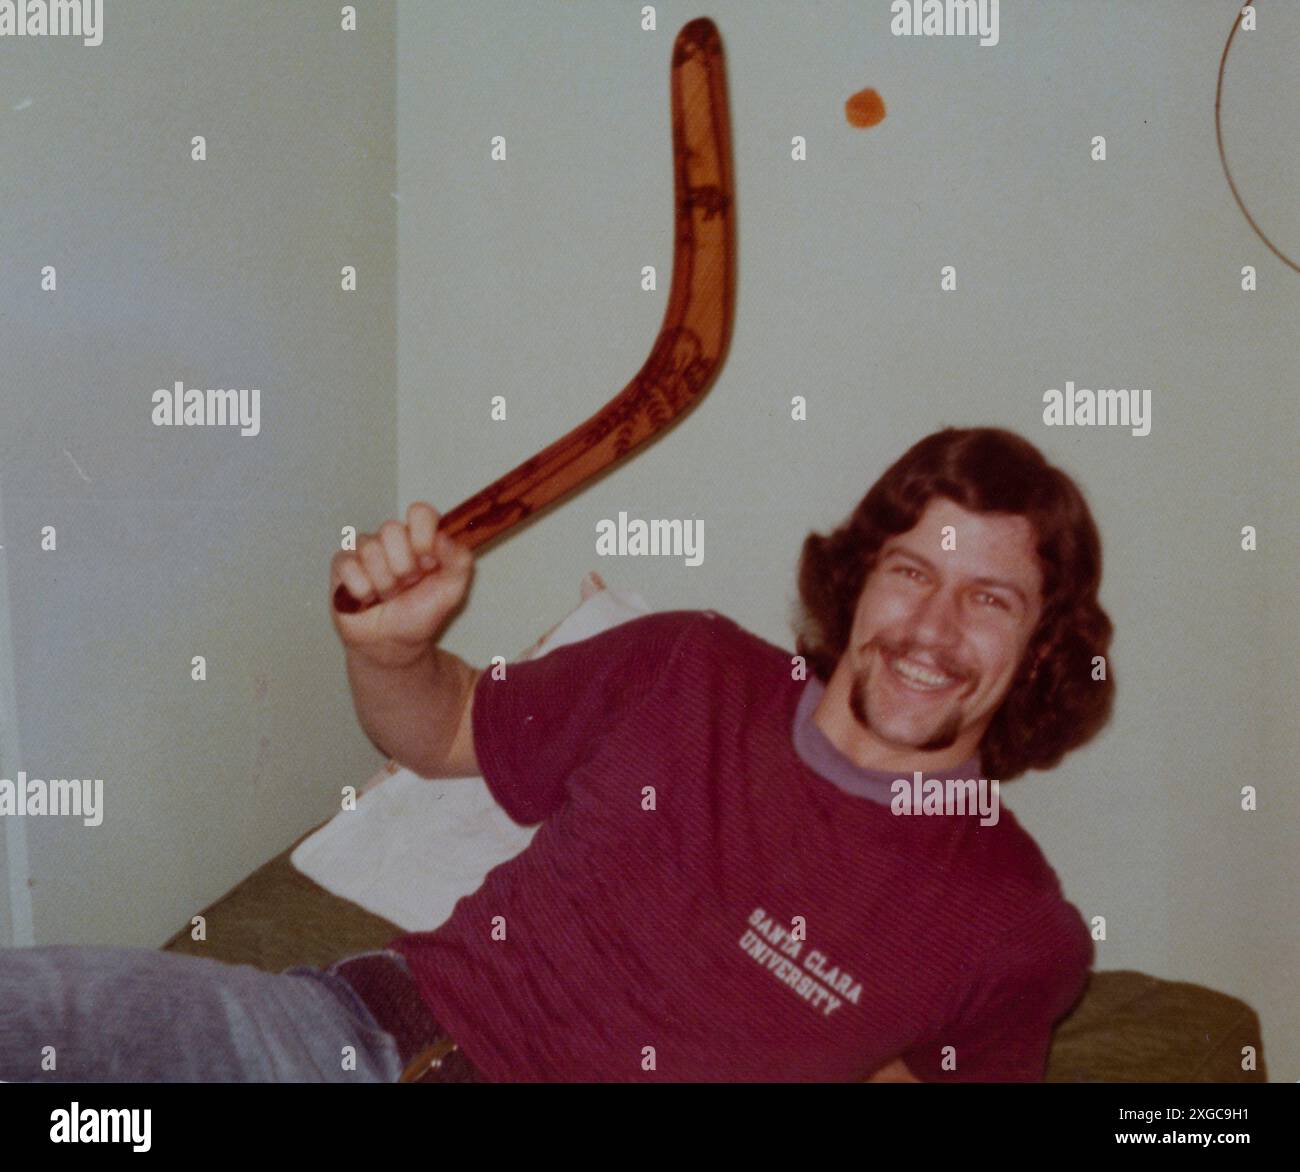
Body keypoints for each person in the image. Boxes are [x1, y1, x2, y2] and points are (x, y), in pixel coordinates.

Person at [0, 425, 1113, 1082]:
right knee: (37, 1017)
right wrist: (391, 650)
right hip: (353, 1039)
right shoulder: (693, 666)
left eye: (990, 599)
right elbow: (443, 730)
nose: (931, 628)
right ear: (860, 578)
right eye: (912, 572)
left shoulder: (1012, 924)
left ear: (1043, 643)